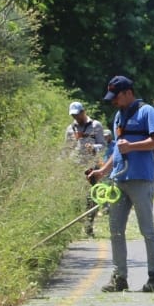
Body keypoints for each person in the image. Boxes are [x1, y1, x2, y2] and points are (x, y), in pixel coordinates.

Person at [89, 76, 154, 293]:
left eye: (117, 97)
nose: (114, 101)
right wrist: (103, 171)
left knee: (147, 230)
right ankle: (119, 278)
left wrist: (132, 146)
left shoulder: (147, 111)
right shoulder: (117, 116)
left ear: (128, 93)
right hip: (119, 180)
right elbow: (117, 149)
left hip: (141, 179)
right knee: (115, 230)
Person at [65, 101, 105, 236]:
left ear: (83, 112)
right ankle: (76, 228)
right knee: (75, 198)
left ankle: (89, 227)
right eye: (73, 115)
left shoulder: (96, 126)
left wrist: (94, 147)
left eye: (77, 114)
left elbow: (103, 145)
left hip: (92, 167)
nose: (76, 118)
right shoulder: (70, 129)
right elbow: (67, 148)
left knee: (91, 198)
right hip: (75, 167)